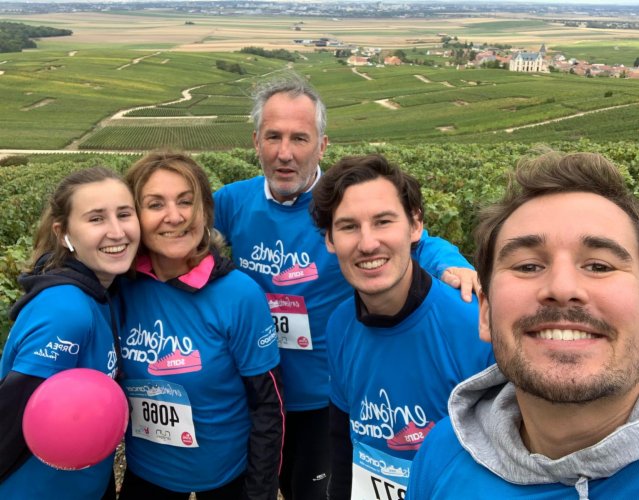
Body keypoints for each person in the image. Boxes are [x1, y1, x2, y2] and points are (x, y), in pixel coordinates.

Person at [213, 73, 479, 500]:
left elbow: (415, 241)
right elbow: (179, 234)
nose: (284, 153)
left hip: (326, 396)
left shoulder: (342, 205)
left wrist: (455, 265)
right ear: (256, 141)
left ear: (322, 145)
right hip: (261, 393)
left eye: (300, 138)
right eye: (273, 137)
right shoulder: (232, 201)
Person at [407, 151, 639, 499]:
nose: (562, 288)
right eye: (528, 266)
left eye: (599, 266)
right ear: (485, 313)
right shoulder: (442, 454)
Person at [310, 153, 495, 499]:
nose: (367, 244)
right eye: (349, 227)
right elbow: (343, 443)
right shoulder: (339, 326)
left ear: (415, 226)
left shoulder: (475, 327)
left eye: (383, 222)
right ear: (330, 240)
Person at [116, 151, 283, 500]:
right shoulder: (120, 287)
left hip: (227, 475)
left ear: (205, 211)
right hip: (147, 472)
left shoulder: (239, 295)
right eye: (155, 204)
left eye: (186, 201)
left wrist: (260, 492)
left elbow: (268, 405)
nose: (174, 216)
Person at [0, 167, 140, 499]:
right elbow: (9, 423)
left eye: (124, 214)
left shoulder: (102, 291)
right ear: (63, 232)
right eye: (96, 219)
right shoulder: (67, 311)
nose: (117, 231)